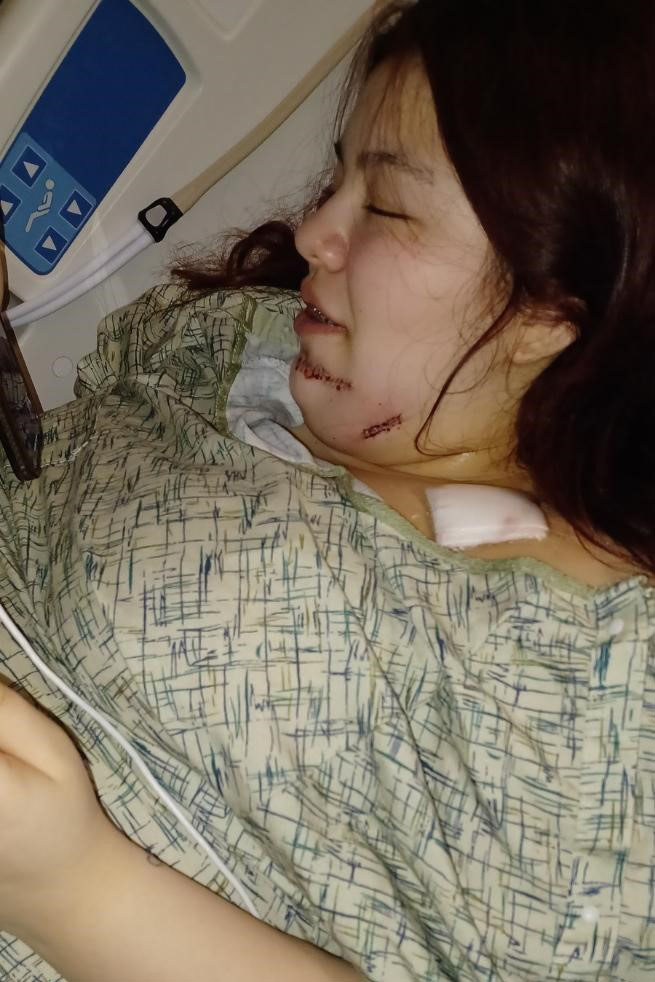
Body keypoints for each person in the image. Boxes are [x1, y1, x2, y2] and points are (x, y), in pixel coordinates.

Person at [1, 1, 655, 979]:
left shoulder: (607, 690)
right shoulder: (239, 350)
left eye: (385, 207)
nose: (313, 230)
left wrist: (82, 894)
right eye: (337, 174)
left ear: (551, 309)